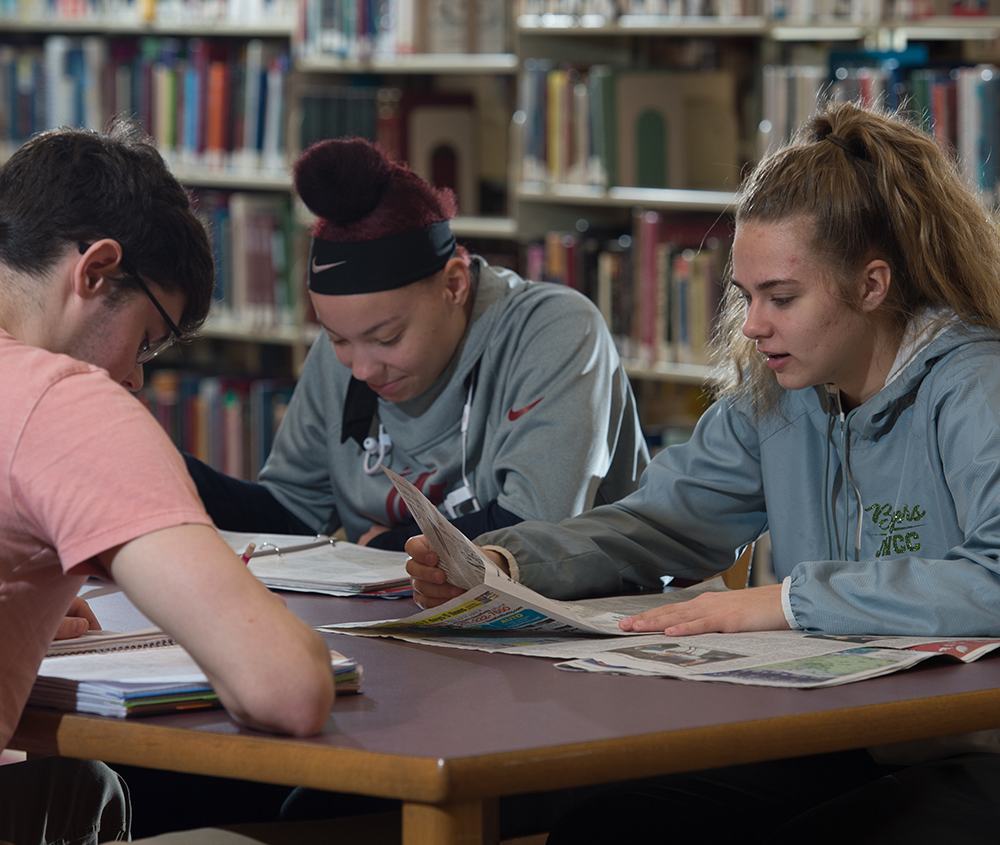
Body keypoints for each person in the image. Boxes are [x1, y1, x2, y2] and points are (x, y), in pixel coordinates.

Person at [406, 100, 1000, 843]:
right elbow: (659, 522)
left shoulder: (976, 385)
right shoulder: (780, 399)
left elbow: (995, 578)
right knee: (614, 826)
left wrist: (786, 602)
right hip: (842, 733)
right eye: (745, 296)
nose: (752, 325)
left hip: (977, 750)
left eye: (781, 298)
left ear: (872, 285)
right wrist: (505, 562)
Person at [0, 123, 335, 845]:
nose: (134, 377)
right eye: (147, 339)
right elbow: (286, 689)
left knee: (80, 788)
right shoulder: (66, 402)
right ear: (96, 271)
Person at [184, 136, 648, 551]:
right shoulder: (342, 358)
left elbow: (536, 529)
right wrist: (167, 470)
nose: (360, 368)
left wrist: (386, 545)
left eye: (386, 338)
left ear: (454, 286)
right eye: (338, 338)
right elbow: (292, 513)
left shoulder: (557, 329)